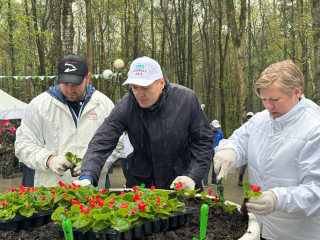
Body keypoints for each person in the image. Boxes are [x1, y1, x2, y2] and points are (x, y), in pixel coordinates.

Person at [213, 60, 320, 240]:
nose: (268, 106)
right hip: (258, 227)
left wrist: (277, 199)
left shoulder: (314, 129)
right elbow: (239, 141)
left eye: (274, 99)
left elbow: (316, 190)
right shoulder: (261, 120)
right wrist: (229, 151)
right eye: (263, 99)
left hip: (296, 234)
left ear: (297, 92)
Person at [74, 56, 213, 190]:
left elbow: (204, 141)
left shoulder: (186, 100)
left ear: (161, 83)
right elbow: (102, 141)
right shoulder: (126, 106)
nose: (139, 94)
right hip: (141, 182)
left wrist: (193, 175)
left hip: (181, 180)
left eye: (145, 88)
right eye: (134, 87)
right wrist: (87, 175)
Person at [15, 54, 122, 188]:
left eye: (76, 84)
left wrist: (92, 164)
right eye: (65, 83)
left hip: (92, 190)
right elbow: (23, 144)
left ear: (87, 78)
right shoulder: (39, 105)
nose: (70, 90)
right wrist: (48, 160)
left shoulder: (104, 105)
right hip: (51, 192)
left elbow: (116, 144)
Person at [202, 120, 224, 187]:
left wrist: (220, 147)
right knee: (207, 167)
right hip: (208, 152)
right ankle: (205, 181)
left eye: (217, 127)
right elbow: (206, 141)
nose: (217, 128)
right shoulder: (208, 132)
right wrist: (212, 146)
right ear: (212, 126)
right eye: (215, 127)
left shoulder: (220, 132)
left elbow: (222, 141)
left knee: (215, 167)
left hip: (216, 152)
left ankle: (213, 181)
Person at [237, 112, 254, 186]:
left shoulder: (257, 127)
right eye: (248, 117)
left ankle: (254, 183)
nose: (249, 119)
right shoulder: (244, 127)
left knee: (254, 168)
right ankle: (240, 179)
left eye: (251, 117)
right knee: (243, 167)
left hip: (254, 151)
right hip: (245, 150)